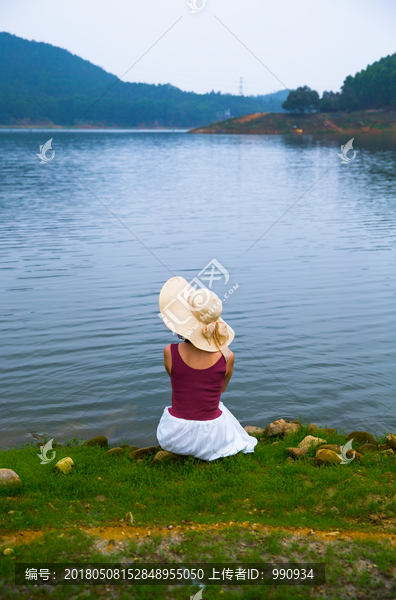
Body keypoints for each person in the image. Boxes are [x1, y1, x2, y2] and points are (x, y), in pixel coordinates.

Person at [157, 276, 257, 461]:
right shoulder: (228, 358)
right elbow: (222, 389)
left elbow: (176, 378)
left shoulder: (169, 352)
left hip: (175, 436)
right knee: (221, 408)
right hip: (212, 438)